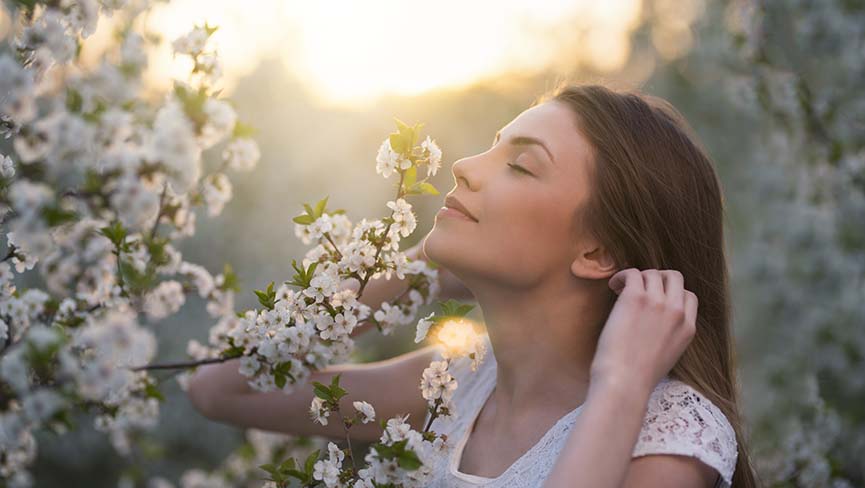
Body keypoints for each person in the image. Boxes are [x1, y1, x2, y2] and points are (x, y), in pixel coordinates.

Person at [186, 83, 760, 488]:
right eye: (492, 145)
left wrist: (621, 383)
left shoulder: (667, 433)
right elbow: (219, 389)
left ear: (598, 251)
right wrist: (413, 271)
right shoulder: (459, 384)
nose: (464, 165)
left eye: (522, 165)